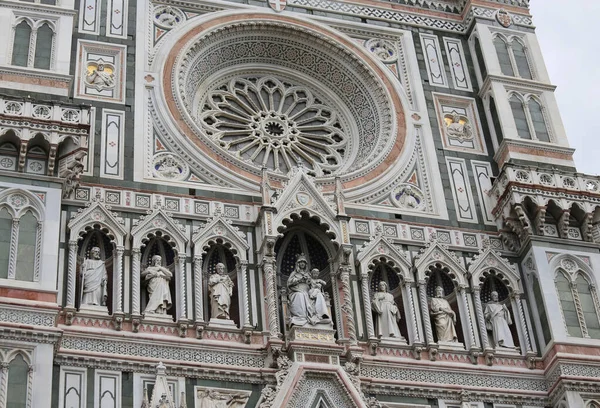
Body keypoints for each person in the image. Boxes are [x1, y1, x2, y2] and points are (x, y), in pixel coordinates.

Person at [287, 254, 330, 326]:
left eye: (304, 262)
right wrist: (300, 280)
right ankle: (301, 317)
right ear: (298, 264)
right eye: (301, 262)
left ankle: (322, 315)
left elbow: (313, 283)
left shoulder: (309, 274)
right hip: (297, 291)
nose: (302, 264)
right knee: (300, 295)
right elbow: (289, 283)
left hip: (308, 291)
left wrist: (314, 284)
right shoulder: (294, 273)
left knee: (318, 294)